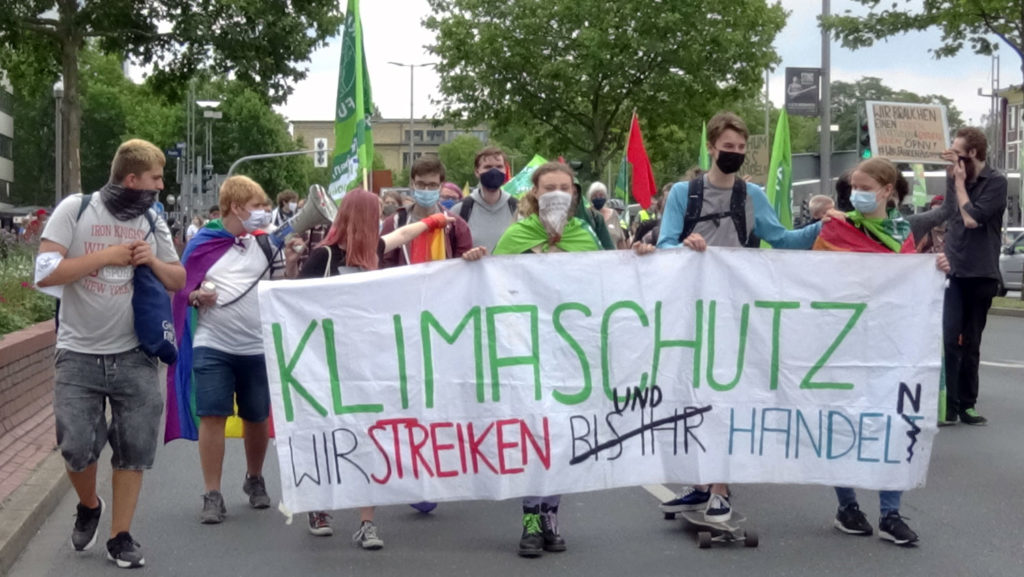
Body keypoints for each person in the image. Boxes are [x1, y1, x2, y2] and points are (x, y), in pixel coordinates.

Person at [654, 112, 821, 523]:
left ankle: (721, 487)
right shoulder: (683, 193)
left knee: (726, 395)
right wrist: (683, 245)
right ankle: (699, 482)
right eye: (728, 147)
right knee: (692, 394)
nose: (735, 155)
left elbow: (781, 240)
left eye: (741, 149)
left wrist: (821, 227)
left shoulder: (752, 196)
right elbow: (664, 243)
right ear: (711, 147)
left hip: (735, 310)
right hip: (690, 309)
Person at [35, 139, 185, 568]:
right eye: (156, 179)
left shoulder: (152, 220)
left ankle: (120, 536)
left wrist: (151, 262)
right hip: (78, 353)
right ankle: (89, 504)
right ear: (132, 179)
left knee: (133, 449)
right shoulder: (77, 210)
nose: (160, 187)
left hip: (136, 355)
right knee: (76, 447)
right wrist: (107, 256)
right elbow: (44, 273)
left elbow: (177, 279)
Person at [298, 189, 457, 548]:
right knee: (327, 433)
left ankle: (366, 522)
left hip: (366, 361)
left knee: (367, 435)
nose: (379, 221)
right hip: (325, 363)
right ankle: (320, 505)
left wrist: (433, 222)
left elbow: (401, 235)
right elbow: (296, 305)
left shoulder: (372, 253)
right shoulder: (323, 256)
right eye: (374, 215)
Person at [465, 162, 601, 557]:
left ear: (574, 194)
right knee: (530, 433)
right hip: (523, 351)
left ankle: (551, 515)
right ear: (534, 194)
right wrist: (478, 262)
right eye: (549, 187)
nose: (557, 193)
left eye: (564, 187)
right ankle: (529, 517)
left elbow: (604, 288)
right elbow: (495, 288)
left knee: (559, 435)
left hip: (569, 352)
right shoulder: (516, 236)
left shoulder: (584, 238)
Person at [814, 157, 950, 546]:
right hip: (839, 341)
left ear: (888, 192)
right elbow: (799, 265)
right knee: (841, 422)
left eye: (864, 187)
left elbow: (907, 284)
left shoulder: (902, 234)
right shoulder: (835, 227)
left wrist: (935, 267)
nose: (856, 194)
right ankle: (848, 507)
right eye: (853, 186)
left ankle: (890, 513)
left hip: (887, 344)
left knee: (891, 422)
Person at [173, 175, 303, 525]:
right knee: (213, 415)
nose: (265, 212)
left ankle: (254, 478)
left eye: (265, 206)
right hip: (213, 344)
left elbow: (282, 289)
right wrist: (200, 297)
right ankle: (212, 493)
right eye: (258, 206)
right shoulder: (202, 243)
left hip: (256, 346)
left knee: (257, 416)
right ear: (235, 207)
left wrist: (290, 264)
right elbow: (184, 290)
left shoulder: (267, 244)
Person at [936, 127, 1007, 425]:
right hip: (954, 268)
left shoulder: (996, 182)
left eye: (958, 154)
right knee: (950, 338)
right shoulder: (955, 178)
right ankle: (949, 404)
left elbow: (971, 218)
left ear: (973, 154)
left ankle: (967, 404)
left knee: (971, 341)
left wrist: (961, 183)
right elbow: (949, 213)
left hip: (981, 271)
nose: (954, 161)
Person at [380, 157, 474, 267]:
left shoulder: (456, 225)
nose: (426, 189)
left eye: (432, 185)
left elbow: (463, 267)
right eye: (420, 184)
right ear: (412, 184)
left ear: (441, 186)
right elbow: (383, 265)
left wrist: (472, 256)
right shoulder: (394, 222)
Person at [450, 146, 519, 253]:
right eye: (488, 167)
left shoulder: (518, 209)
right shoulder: (460, 210)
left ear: (505, 171)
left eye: (499, 166)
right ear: (477, 172)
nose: (494, 171)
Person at [587, 182, 627, 249]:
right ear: (590, 198)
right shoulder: (587, 214)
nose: (598, 198)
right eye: (595, 196)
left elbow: (620, 241)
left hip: (613, 257)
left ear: (605, 197)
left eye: (601, 195)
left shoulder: (613, 214)